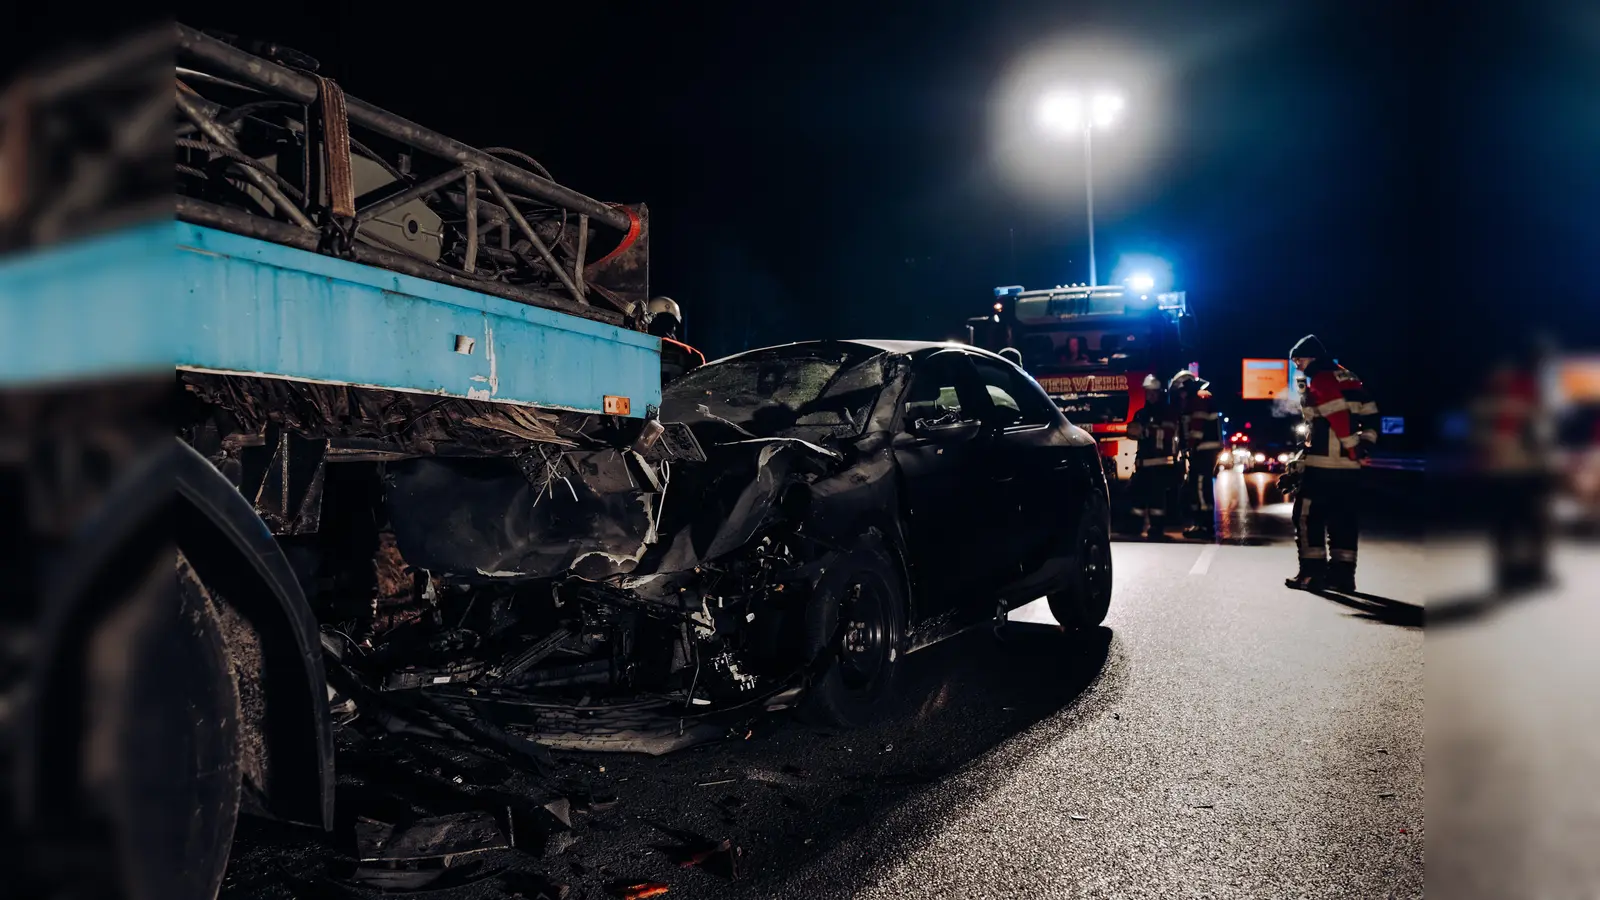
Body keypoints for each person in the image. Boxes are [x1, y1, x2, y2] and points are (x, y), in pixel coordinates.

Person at [1285, 334, 1379, 592]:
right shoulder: (1350, 377)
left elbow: (1336, 415)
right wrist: (1363, 446)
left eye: (1298, 360)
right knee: (1343, 519)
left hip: (1324, 465)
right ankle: (1342, 577)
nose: (1297, 366)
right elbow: (1371, 415)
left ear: (1312, 357)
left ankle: (1311, 575)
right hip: (1349, 468)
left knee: (1306, 516)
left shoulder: (1322, 378)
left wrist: (1350, 447)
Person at [1470, 342, 1554, 594]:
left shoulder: (1518, 392)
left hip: (1520, 468)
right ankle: (1515, 573)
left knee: (1523, 522)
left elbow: (1539, 430)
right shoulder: (1513, 393)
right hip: (1511, 469)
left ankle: (1525, 571)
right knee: (1514, 522)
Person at [1125, 373, 1181, 539]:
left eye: (1153, 392)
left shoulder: (1167, 412)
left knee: (1157, 500)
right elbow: (1132, 432)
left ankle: (1156, 529)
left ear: (1159, 393)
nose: (1150, 395)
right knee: (1138, 498)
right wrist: (1136, 431)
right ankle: (1135, 527)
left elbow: (1168, 432)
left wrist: (1147, 430)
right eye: (1148, 392)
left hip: (1160, 464)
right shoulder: (1141, 413)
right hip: (1143, 464)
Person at [1170, 370, 1221, 539]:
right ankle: (1200, 523)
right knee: (1196, 485)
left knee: (1200, 486)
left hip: (1203, 449)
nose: (1181, 396)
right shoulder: (1196, 399)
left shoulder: (1199, 399)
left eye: (1181, 392)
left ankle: (1205, 525)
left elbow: (1197, 427)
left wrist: (1189, 447)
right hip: (1200, 449)